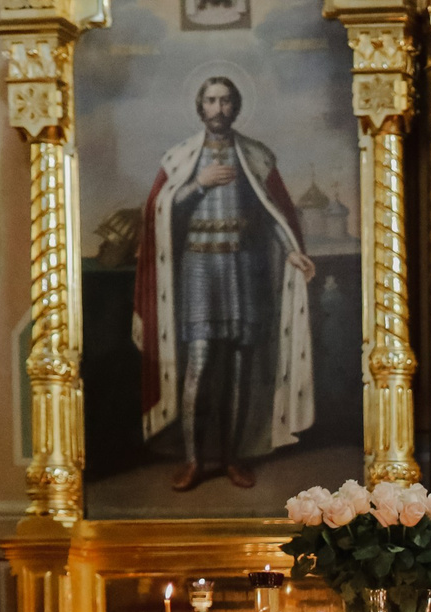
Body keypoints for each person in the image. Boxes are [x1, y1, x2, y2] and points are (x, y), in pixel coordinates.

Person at [135, 76, 318, 492]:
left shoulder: (255, 156)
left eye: (226, 101)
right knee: (198, 366)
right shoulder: (181, 158)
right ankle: (195, 460)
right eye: (211, 101)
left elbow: (275, 211)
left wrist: (290, 249)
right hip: (199, 270)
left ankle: (233, 458)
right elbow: (159, 214)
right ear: (201, 108)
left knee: (239, 367)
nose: (218, 108)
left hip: (244, 268)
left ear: (235, 108)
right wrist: (198, 185)